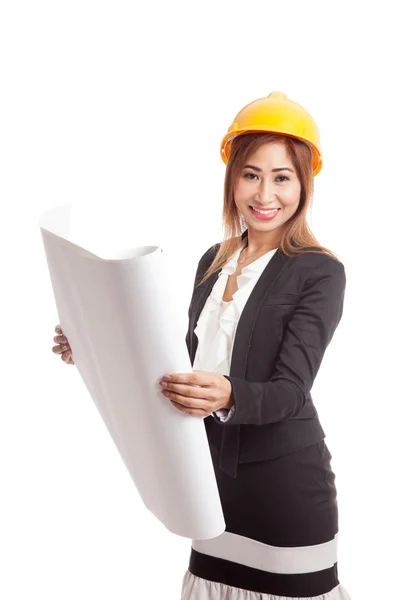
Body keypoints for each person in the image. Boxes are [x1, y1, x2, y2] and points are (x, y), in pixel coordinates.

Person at [52, 91, 352, 599]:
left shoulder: (319, 270)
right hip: (209, 481)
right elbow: (179, 366)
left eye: (283, 177)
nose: (265, 193)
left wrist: (231, 395)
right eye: (251, 173)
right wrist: (95, 345)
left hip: (285, 487)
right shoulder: (215, 259)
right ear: (232, 177)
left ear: (305, 184)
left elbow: (291, 391)